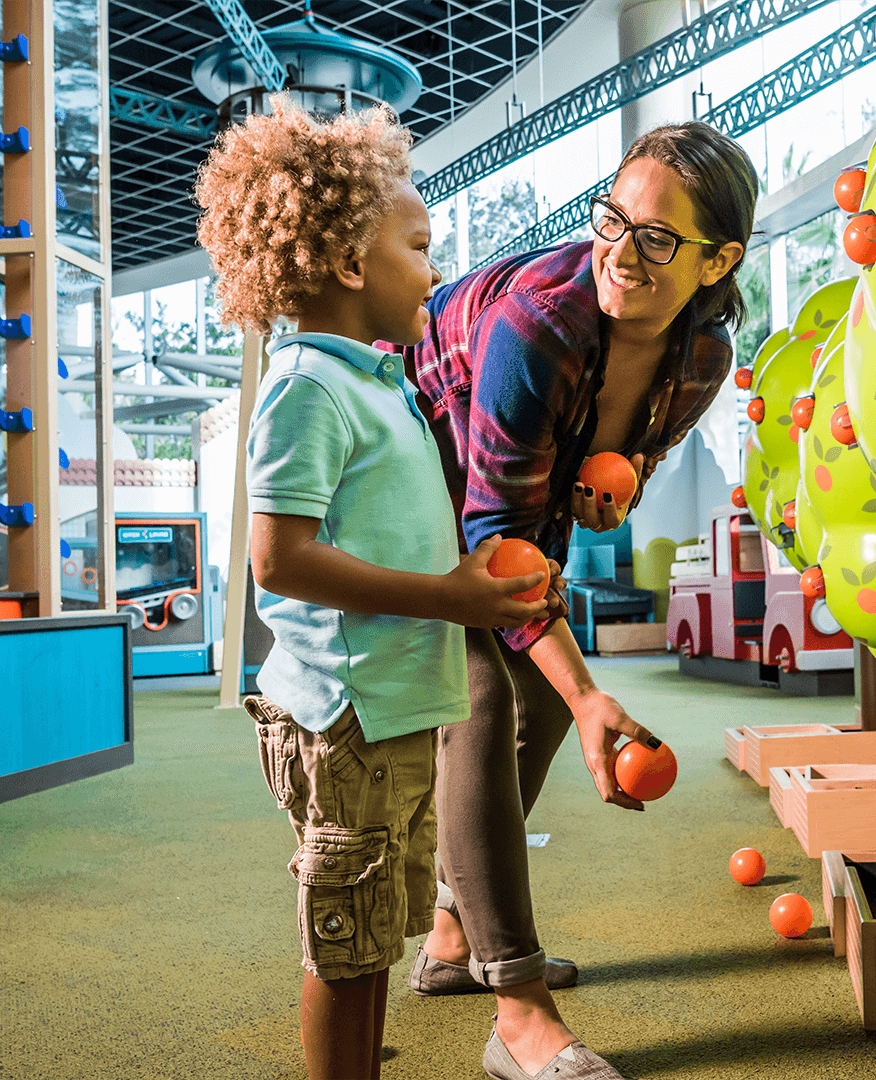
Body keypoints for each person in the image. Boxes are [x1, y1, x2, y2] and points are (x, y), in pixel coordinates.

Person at [195, 100, 554, 1080]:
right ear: (352, 265)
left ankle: (353, 1050)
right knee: (347, 941)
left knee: (376, 934)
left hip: (394, 710)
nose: (434, 269)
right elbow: (279, 558)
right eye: (419, 245)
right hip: (343, 720)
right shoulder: (308, 386)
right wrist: (454, 599)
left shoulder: (378, 381)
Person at [398, 121, 760, 1080]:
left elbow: (635, 452)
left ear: (718, 261)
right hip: (421, 455)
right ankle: (516, 1007)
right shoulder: (539, 323)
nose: (621, 253)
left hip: (523, 480)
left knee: (545, 706)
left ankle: (451, 939)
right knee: (481, 695)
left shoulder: (703, 354)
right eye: (613, 219)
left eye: (657, 239)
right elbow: (495, 544)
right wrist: (594, 691)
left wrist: (625, 474)